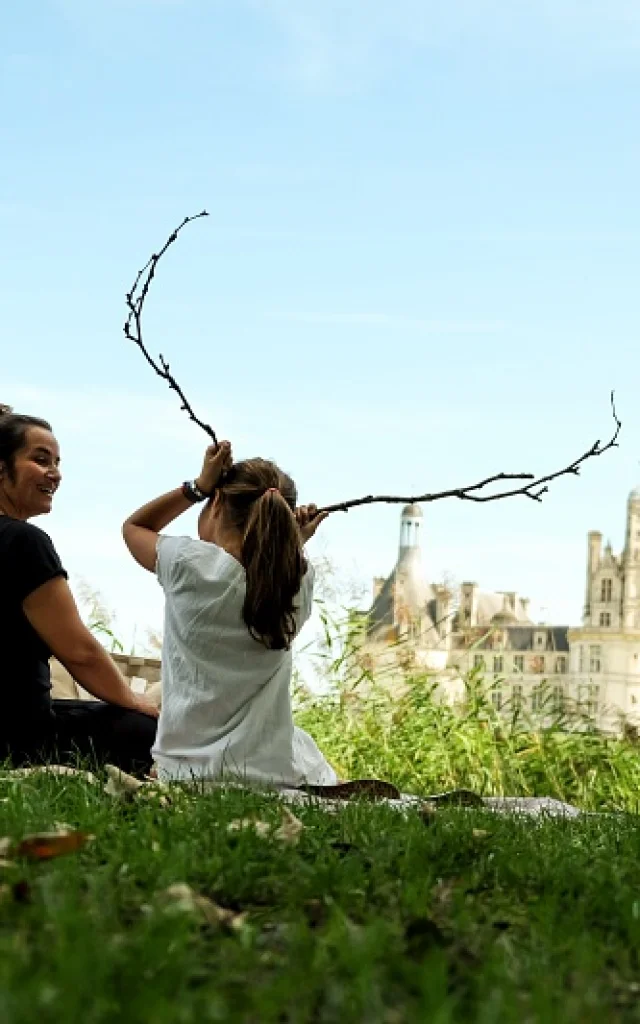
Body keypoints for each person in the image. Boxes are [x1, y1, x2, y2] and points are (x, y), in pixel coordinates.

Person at [122, 441, 340, 788]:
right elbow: (268, 576)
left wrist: (196, 487)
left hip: (186, 772)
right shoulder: (298, 580)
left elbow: (134, 528)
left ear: (218, 502)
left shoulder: (191, 564)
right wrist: (294, 546)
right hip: (270, 769)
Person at [0, 405, 157, 775]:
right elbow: (79, 651)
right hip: (18, 736)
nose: (54, 474)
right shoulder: (24, 541)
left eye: (57, 462)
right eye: (40, 460)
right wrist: (133, 700)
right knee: (148, 729)